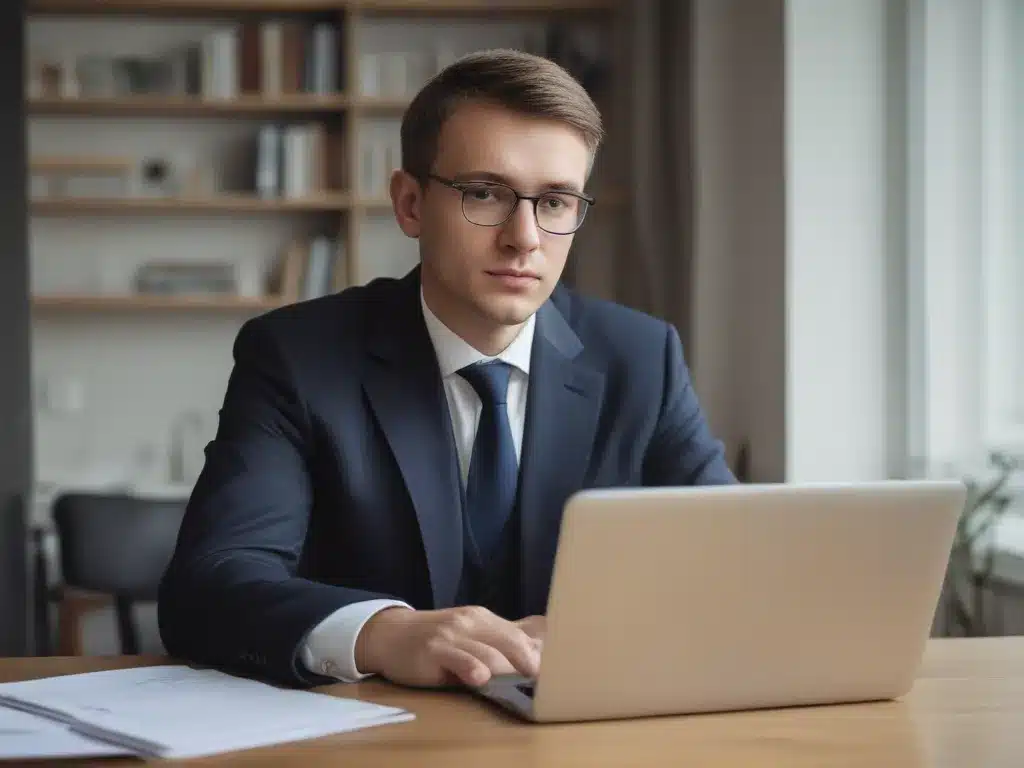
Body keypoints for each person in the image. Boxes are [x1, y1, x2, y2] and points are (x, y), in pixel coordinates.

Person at [157, 48, 735, 691]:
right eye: (485, 194)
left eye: (556, 202)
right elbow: (209, 587)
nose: (525, 238)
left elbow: (732, 565)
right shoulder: (297, 357)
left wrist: (619, 630)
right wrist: (386, 632)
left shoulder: (641, 357)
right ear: (409, 204)